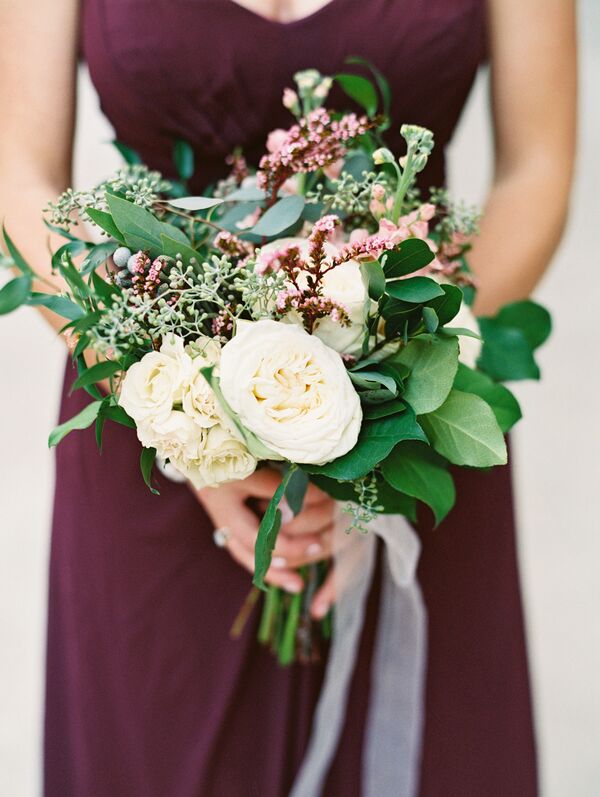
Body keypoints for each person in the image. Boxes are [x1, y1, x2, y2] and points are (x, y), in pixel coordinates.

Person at [0, 0, 576, 794]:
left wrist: (386, 392)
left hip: (412, 439)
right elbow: (19, 171)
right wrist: (190, 417)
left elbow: (537, 167)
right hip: (154, 447)